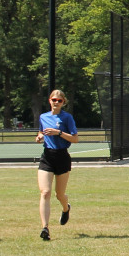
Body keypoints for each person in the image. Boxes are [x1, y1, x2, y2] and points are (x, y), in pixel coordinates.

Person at [35, 89, 78, 241]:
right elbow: (40, 132)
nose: (56, 103)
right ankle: (45, 228)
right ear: (49, 100)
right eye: (54, 100)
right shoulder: (43, 117)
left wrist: (58, 132)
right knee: (45, 192)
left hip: (62, 156)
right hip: (47, 156)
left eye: (59, 101)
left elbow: (75, 139)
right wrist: (39, 137)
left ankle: (66, 208)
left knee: (59, 194)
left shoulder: (67, 118)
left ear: (63, 102)